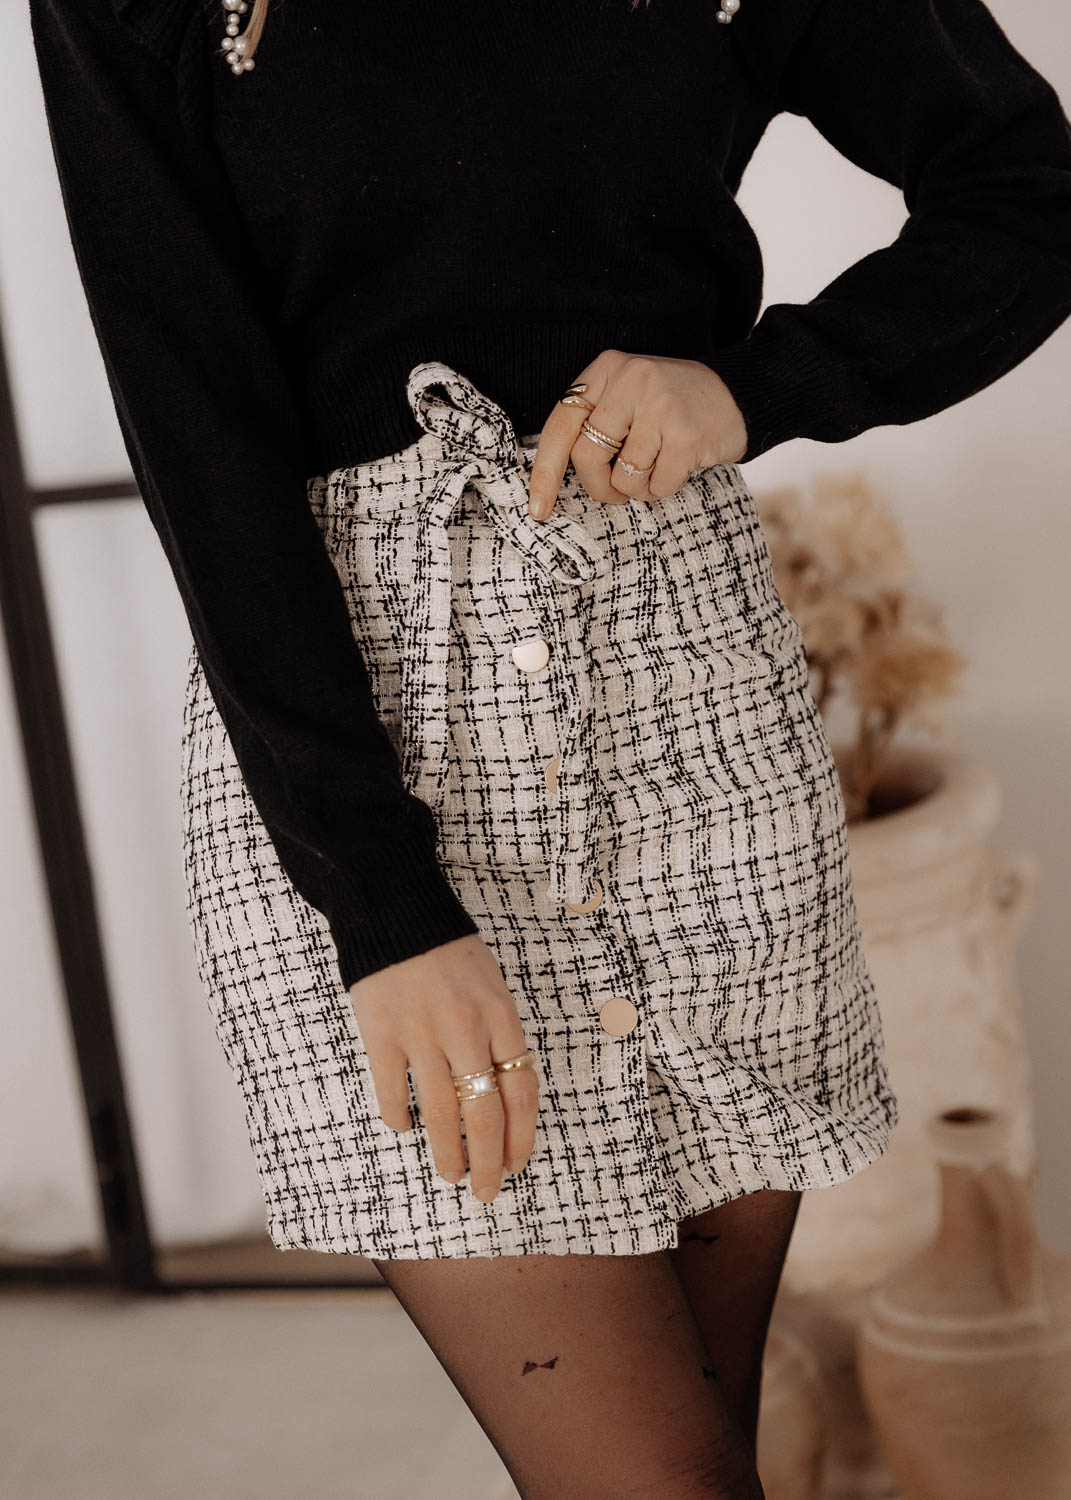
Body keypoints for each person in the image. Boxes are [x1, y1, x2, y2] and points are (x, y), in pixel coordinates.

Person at [29, 0, 1071, 1494]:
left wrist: (754, 385)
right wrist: (383, 906)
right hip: (369, 732)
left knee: (703, 1454)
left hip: (699, 714)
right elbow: (201, 441)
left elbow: (1029, 192)